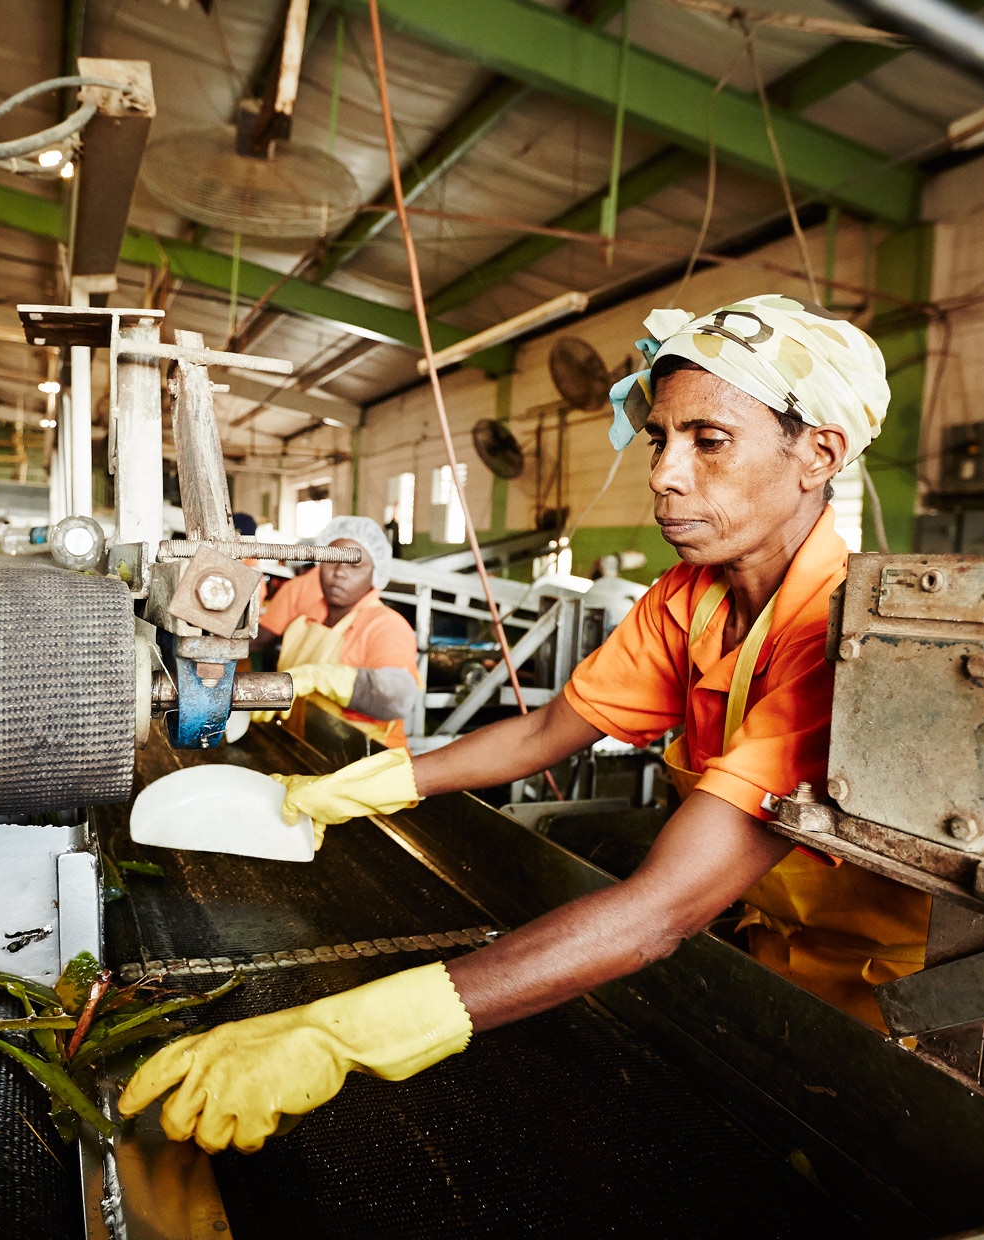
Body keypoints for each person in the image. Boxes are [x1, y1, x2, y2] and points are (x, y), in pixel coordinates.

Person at [121, 295, 931, 1155]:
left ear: (820, 454)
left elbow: (655, 916)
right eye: (661, 438)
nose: (664, 473)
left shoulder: (849, 648)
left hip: (887, 1010)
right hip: (762, 960)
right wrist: (364, 788)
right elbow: (545, 734)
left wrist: (342, 1033)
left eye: (710, 440)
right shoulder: (688, 601)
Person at [249, 515, 421, 750]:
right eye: (332, 561)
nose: (340, 572)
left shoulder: (385, 625)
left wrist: (318, 677)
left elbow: (397, 698)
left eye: (355, 565)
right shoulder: (307, 617)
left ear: (375, 574)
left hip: (368, 761)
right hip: (309, 745)